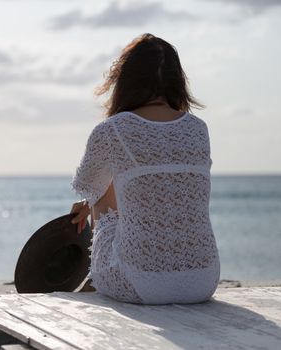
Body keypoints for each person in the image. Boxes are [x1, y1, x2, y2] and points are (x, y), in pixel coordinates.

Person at [70, 33, 220, 304]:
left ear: (125, 80)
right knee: (130, 176)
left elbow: (91, 185)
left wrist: (90, 200)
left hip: (140, 284)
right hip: (203, 281)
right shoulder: (199, 129)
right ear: (178, 81)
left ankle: (96, 277)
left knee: (104, 188)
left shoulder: (112, 130)